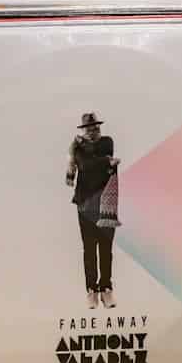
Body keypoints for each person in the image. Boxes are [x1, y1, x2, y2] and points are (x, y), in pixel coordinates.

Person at [70, 112, 120, 309]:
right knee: (89, 248)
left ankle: (106, 289)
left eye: (95, 128)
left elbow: (95, 158)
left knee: (105, 248)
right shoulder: (79, 149)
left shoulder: (106, 142)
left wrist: (80, 146)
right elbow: (84, 166)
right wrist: (106, 161)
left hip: (106, 203)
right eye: (89, 129)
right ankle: (91, 290)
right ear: (83, 130)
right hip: (84, 204)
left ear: (100, 128)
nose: (93, 131)